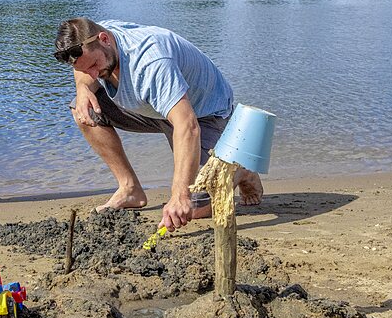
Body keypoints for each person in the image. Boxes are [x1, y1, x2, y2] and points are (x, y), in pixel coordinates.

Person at [54, 18, 263, 231]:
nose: (93, 75)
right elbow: (81, 66)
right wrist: (82, 89)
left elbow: (188, 126)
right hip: (154, 108)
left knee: (195, 208)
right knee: (83, 109)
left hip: (203, 114)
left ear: (105, 39)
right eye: (85, 69)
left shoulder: (151, 62)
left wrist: (180, 196)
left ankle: (240, 170)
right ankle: (130, 188)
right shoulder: (92, 36)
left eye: (94, 65)